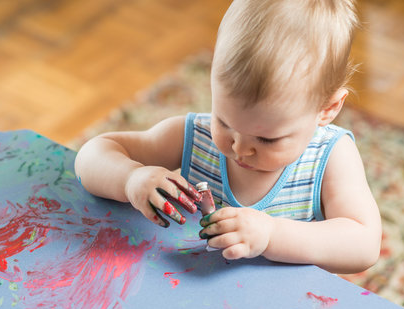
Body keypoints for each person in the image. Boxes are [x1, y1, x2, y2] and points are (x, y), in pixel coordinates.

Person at [74, 0, 381, 274]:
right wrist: (131, 179)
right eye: (225, 121)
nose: (239, 147)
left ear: (327, 109)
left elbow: (364, 245)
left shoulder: (330, 156)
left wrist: (272, 235)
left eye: (266, 139)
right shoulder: (194, 135)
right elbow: (92, 155)